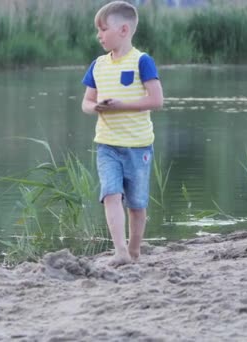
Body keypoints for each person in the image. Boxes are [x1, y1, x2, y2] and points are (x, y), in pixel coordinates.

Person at [81, 1, 164, 266]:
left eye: (103, 29)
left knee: (137, 204)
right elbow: (86, 102)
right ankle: (119, 251)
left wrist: (121, 106)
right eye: (98, 30)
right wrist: (96, 107)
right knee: (111, 194)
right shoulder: (97, 65)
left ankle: (135, 250)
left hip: (138, 146)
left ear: (124, 29)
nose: (99, 35)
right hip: (106, 144)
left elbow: (156, 100)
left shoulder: (142, 61)